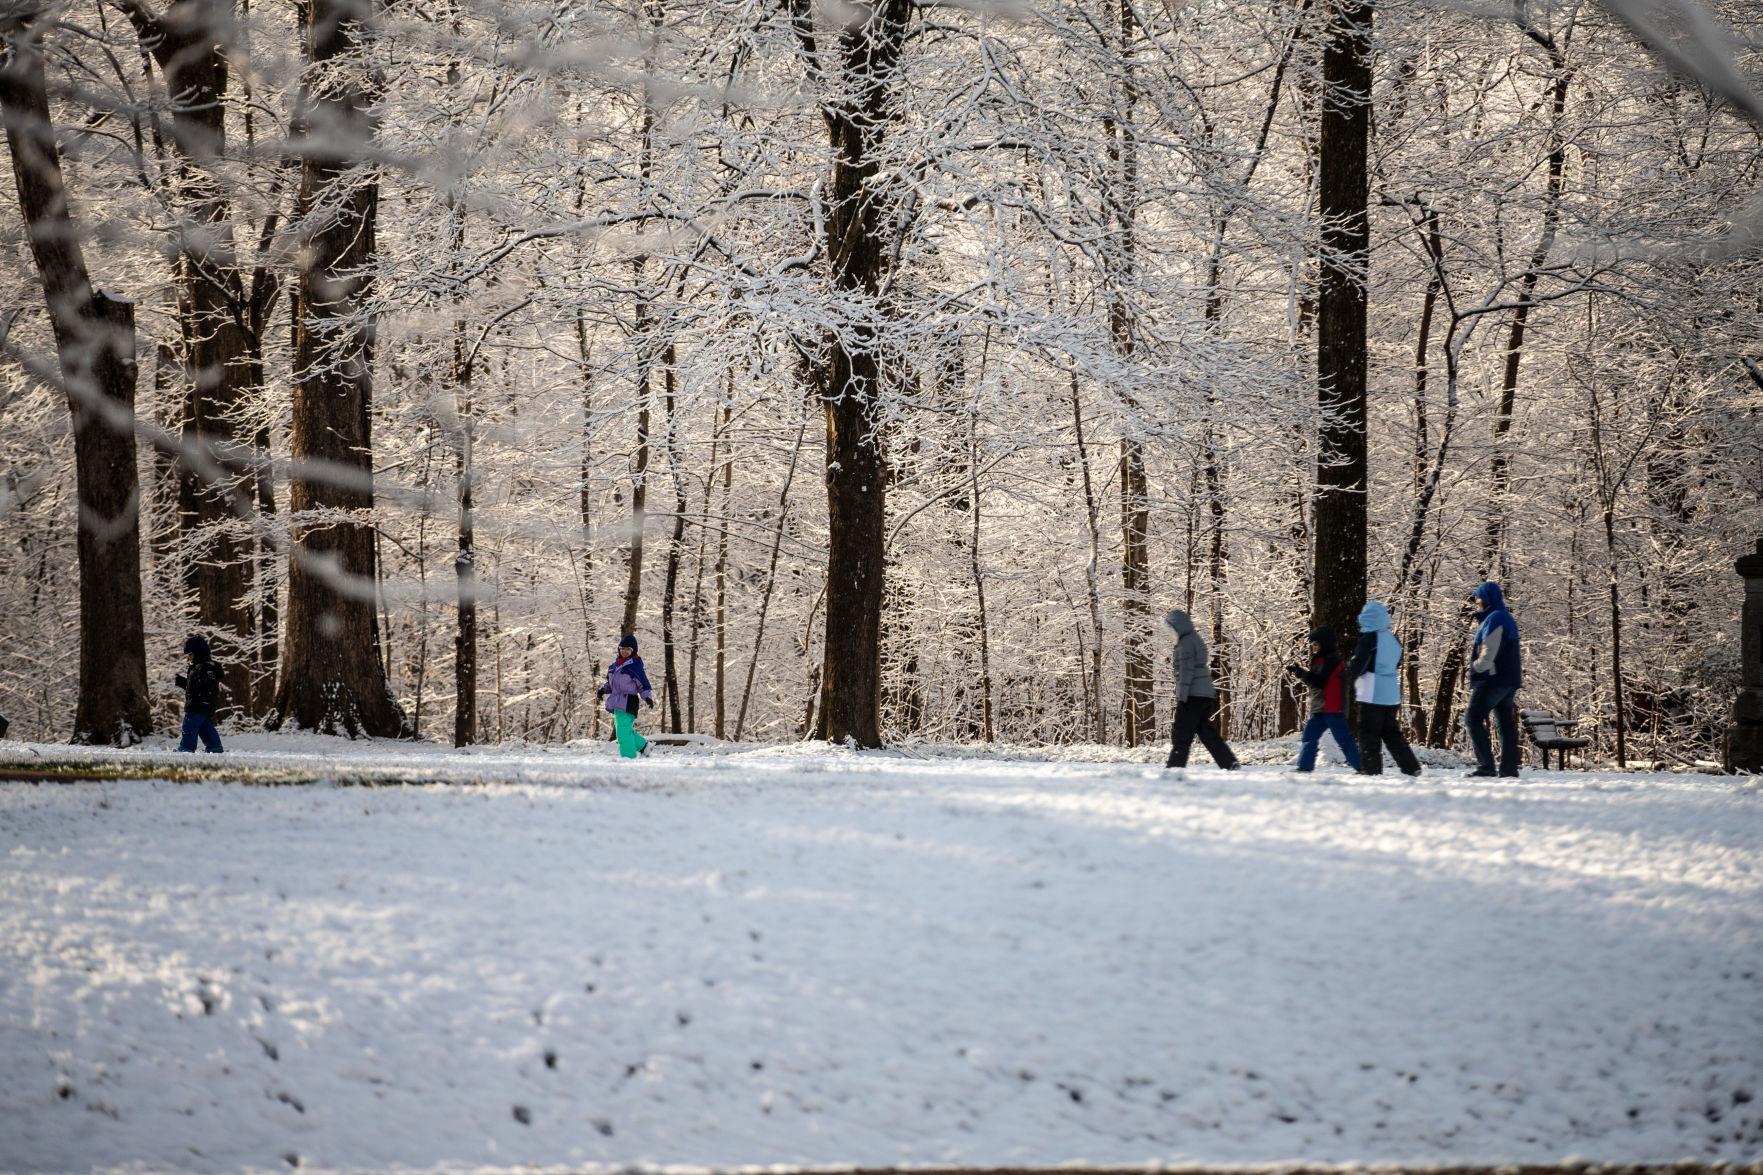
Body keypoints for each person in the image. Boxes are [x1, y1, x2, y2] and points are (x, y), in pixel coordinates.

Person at [1349, 600, 1422, 777]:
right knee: (1391, 733)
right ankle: (1411, 766)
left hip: (1372, 692)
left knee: (1368, 732)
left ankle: (1370, 769)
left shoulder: (1369, 639)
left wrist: (1350, 666)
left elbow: (1359, 666)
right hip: (1391, 693)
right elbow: (1397, 663)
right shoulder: (1393, 638)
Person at [1163, 609, 1238, 770]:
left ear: (1178, 626)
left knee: (1182, 732)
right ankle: (1229, 762)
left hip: (1193, 694)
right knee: (1205, 731)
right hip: (1204, 693)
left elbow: (1186, 671)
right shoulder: (1193, 639)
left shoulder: (1185, 643)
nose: (1170, 632)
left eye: (1171, 628)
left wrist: (1182, 697)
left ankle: (1175, 767)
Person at [1465, 581, 1523, 777]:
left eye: (1478, 597)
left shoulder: (1495, 618)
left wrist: (1476, 666)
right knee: (1504, 723)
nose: (1476, 601)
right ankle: (1508, 769)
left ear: (1487, 598)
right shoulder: (1503, 617)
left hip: (1493, 679)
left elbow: (1490, 650)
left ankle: (1486, 766)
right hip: (1508, 679)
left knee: (1472, 718)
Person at [1285, 626, 1360, 772]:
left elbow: (1320, 681)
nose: (1313, 647)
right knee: (1309, 736)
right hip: (1320, 707)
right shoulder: (1318, 660)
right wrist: (1299, 672)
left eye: (1316, 644)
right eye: (1312, 644)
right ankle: (1305, 766)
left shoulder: (1333, 660)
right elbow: (1314, 683)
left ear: (1325, 643)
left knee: (1343, 739)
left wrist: (1302, 673)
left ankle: (1362, 766)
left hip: (1333, 707)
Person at [597, 634, 655, 759]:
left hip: (629, 701)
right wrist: (602, 690)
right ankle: (644, 746)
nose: (624, 651)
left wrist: (648, 697)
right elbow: (611, 684)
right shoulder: (614, 666)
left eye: (628, 649)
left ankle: (628, 759)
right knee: (623, 732)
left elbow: (643, 685)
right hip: (617, 703)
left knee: (622, 734)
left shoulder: (635, 667)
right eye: (622, 648)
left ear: (633, 651)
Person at [174, 635, 224, 753]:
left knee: (189, 727)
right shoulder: (205, 667)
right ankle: (215, 748)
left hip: (197, 704)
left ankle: (186, 749)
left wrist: (190, 684)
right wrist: (183, 682)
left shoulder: (202, 668)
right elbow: (196, 687)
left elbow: (202, 687)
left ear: (198, 653)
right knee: (205, 727)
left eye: (190, 655)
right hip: (205, 704)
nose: (188, 658)